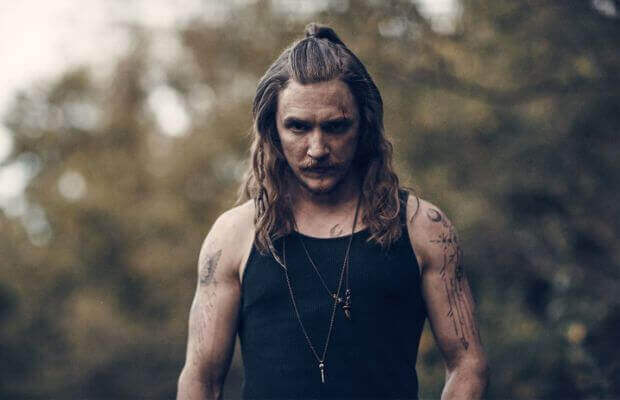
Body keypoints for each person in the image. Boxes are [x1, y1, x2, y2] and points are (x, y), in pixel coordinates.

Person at [177, 23, 488, 399]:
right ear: (273, 131)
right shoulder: (233, 235)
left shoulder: (424, 228)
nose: (318, 149)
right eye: (298, 127)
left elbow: (467, 365)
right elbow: (201, 379)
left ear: (364, 126)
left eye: (336, 127)